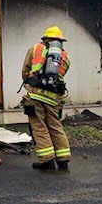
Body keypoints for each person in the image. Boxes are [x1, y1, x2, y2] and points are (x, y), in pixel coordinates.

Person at [22, 24, 73, 171]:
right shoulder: (65, 58)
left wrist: (29, 83)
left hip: (35, 96)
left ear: (45, 39)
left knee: (39, 127)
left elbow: (25, 70)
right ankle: (63, 159)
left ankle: (47, 160)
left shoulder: (35, 49)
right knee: (55, 126)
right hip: (53, 99)